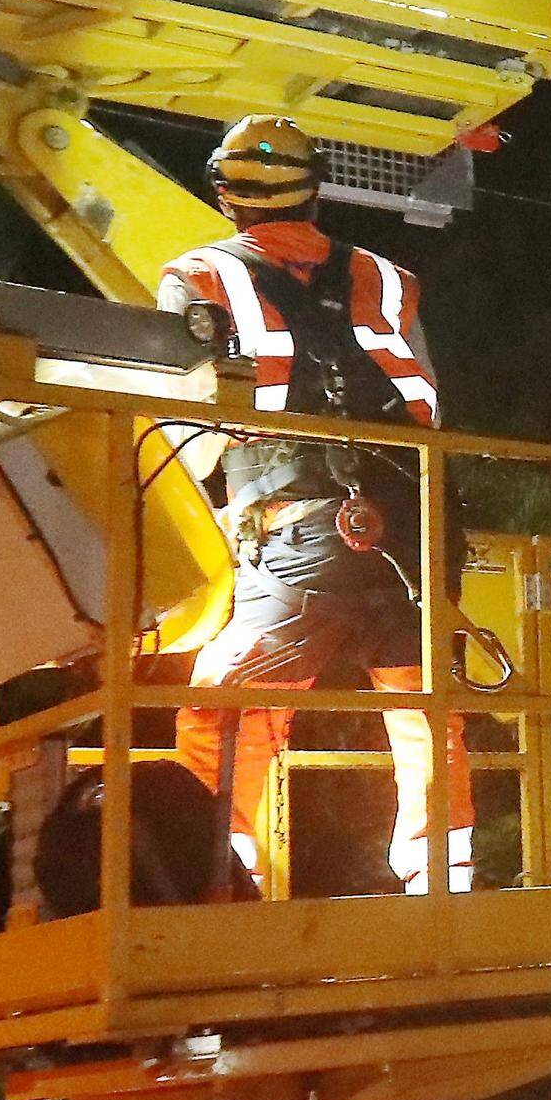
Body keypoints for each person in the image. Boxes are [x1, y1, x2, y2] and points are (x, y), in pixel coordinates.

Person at [155, 115, 464, 895]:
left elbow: (189, 429)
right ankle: (445, 877)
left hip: (298, 535)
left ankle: (214, 878)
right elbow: (427, 404)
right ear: (315, 191)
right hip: (417, 526)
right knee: (426, 707)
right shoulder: (389, 280)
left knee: (226, 705)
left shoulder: (197, 276)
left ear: (225, 195)